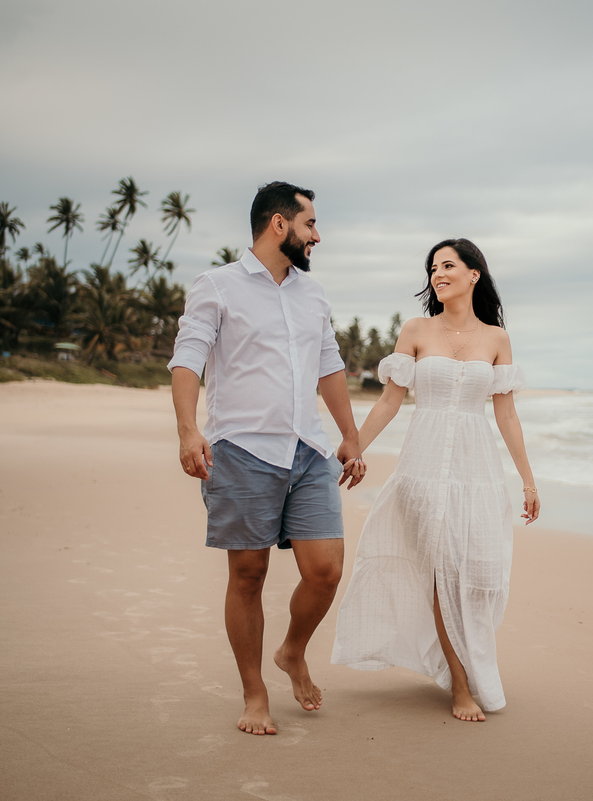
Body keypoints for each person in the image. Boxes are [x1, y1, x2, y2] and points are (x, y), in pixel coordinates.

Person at [169, 181, 366, 736]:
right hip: (242, 449)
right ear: (279, 225)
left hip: (308, 450)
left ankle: (293, 651)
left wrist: (349, 434)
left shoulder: (314, 293)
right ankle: (254, 693)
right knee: (249, 574)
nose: (317, 236)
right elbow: (188, 362)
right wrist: (188, 432)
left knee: (325, 572)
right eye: (310, 225)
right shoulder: (217, 286)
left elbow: (329, 365)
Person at [331, 238, 539, 721]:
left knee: (480, 571)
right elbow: (389, 400)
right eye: (432, 268)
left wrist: (527, 480)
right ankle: (460, 685)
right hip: (423, 468)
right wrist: (354, 443)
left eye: (448, 265)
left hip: (477, 470)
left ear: (474, 275)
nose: (437, 274)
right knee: (441, 568)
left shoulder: (497, 339)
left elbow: (506, 416)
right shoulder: (417, 329)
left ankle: (460, 665)